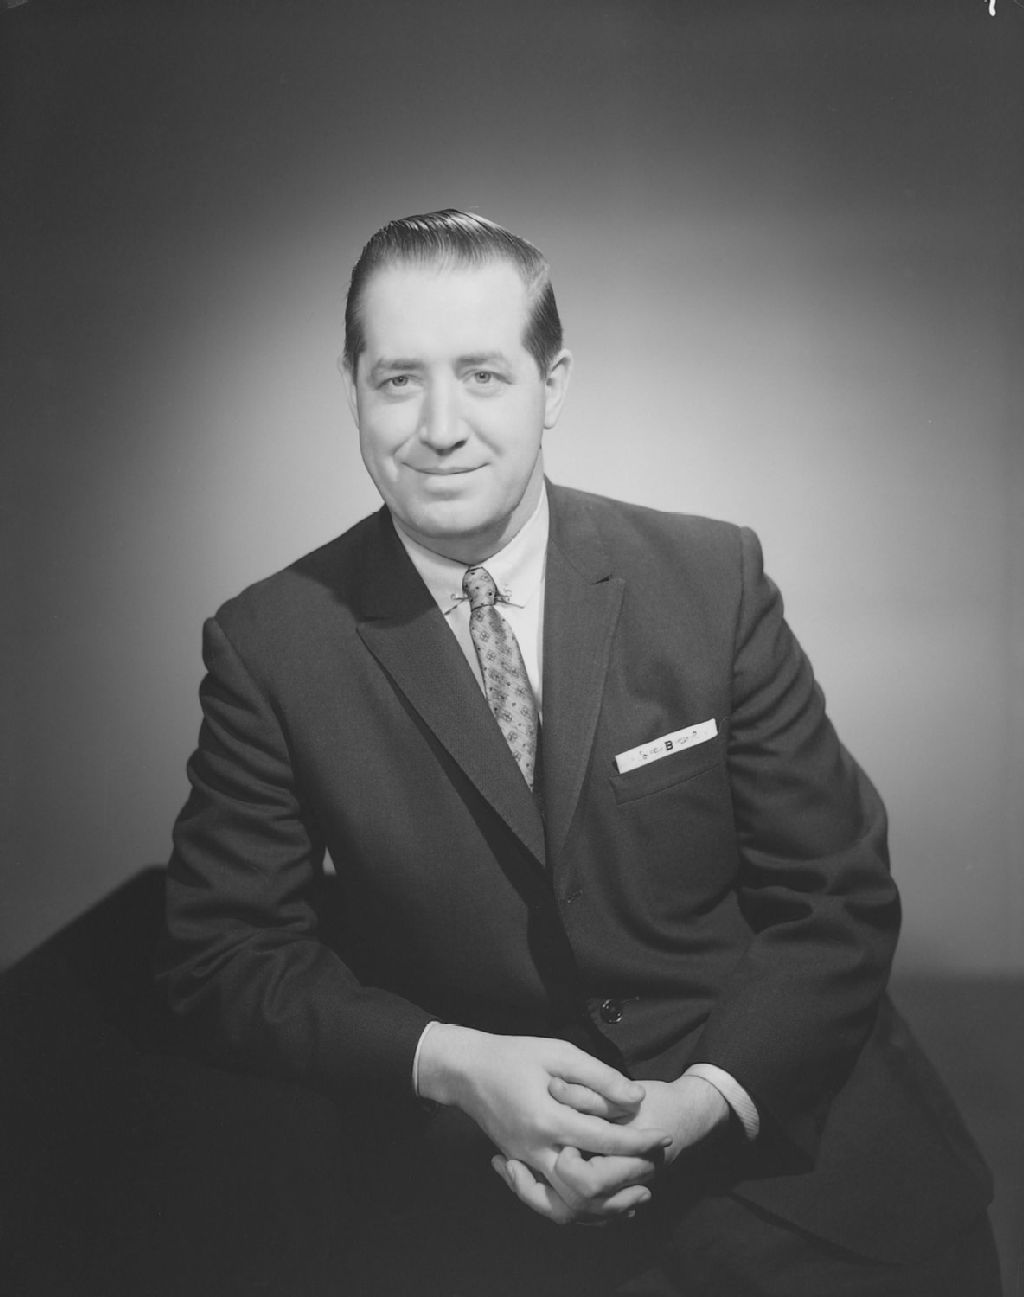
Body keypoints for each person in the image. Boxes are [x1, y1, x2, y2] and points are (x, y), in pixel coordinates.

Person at [159, 209, 1000, 1295]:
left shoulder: (712, 578)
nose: (440, 427)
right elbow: (225, 956)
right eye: (398, 379)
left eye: (483, 375)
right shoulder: (271, 643)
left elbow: (837, 895)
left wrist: (700, 1100)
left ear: (551, 385)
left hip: (798, 1170)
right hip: (494, 1204)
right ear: (353, 391)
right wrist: (454, 1064)